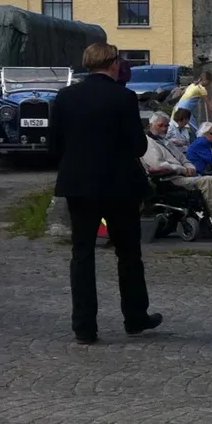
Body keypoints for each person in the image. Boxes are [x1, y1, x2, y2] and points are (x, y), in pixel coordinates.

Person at [50, 43, 159, 343]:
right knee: (128, 254)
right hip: (119, 185)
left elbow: (54, 145)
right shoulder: (124, 98)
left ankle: (84, 326)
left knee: (82, 254)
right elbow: (139, 146)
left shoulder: (65, 97)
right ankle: (135, 316)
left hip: (79, 185)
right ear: (113, 64)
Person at [142, 111, 212, 230]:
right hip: (169, 178)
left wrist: (190, 167)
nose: (165, 128)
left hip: (183, 175)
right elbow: (158, 165)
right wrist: (183, 170)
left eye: (167, 125)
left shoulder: (165, 141)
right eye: (161, 125)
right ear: (151, 125)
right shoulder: (148, 143)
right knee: (208, 180)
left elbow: (183, 158)